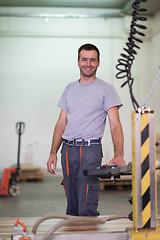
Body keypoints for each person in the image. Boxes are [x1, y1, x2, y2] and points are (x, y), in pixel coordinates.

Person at [47, 43, 126, 216]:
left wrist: (119, 154)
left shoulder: (107, 90)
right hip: (67, 150)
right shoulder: (69, 89)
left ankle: (88, 233)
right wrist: (53, 152)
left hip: (90, 149)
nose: (88, 64)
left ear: (98, 63)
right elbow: (61, 122)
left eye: (92, 60)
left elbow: (115, 124)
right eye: (84, 59)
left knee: (86, 204)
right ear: (78, 62)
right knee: (72, 205)